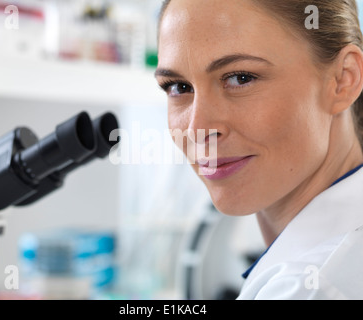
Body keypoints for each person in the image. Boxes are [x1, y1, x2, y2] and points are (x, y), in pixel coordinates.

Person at [155, 0, 363, 299]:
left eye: (240, 78)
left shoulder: (307, 287)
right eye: (178, 87)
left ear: (343, 79)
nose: (197, 128)